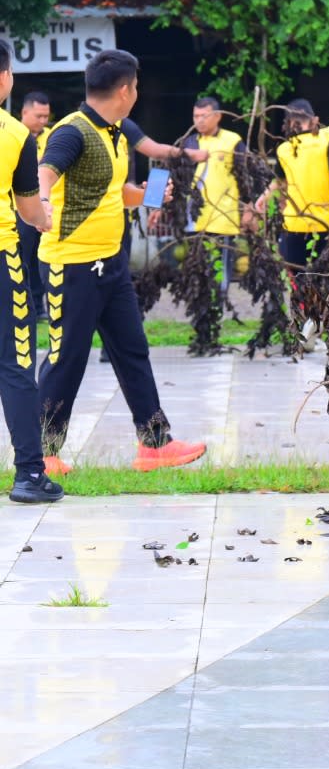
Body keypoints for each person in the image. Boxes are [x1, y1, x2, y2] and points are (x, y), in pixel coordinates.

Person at [35, 49, 206, 474]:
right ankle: (40, 451)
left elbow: (111, 195)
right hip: (70, 265)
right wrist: (41, 203)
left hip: (110, 264)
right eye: (137, 87)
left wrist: (149, 195)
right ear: (126, 90)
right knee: (66, 357)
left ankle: (154, 444)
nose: (137, 93)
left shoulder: (114, 131)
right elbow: (45, 172)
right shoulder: (70, 132)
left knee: (132, 349)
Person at [0, 44, 60, 502]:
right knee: (17, 363)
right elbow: (27, 209)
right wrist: (45, 216)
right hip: (4, 259)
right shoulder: (16, 134)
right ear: (6, 79)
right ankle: (29, 475)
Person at [257, 98, 329, 269]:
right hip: (322, 224)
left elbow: (281, 183)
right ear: (315, 120)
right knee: (320, 280)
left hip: (292, 223)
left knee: (297, 280)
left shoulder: (284, 149)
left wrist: (264, 197)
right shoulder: (327, 142)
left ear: (288, 123)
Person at [174, 96, 249, 292]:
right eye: (195, 116)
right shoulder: (189, 142)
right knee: (197, 268)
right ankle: (202, 309)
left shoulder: (233, 141)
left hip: (222, 218)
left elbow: (247, 178)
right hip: (194, 219)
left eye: (204, 116)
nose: (199, 120)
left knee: (220, 269)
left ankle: (218, 309)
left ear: (218, 116)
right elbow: (176, 177)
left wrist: (249, 208)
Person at [16, 91, 51, 330]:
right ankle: (23, 305)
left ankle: (39, 307)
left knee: (42, 258)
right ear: (24, 113)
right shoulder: (12, 134)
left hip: (46, 208)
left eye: (46, 116)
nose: (43, 121)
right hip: (19, 208)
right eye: (38, 116)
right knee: (23, 259)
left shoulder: (54, 136)